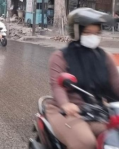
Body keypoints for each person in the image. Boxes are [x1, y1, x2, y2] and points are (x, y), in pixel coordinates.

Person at [46, 8, 119, 149]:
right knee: (86, 143)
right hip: (66, 112)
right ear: (76, 32)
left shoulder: (105, 57)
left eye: (96, 33)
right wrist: (65, 104)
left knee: (113, 138)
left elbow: (116, 84)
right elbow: (57, 85)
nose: (93, 36)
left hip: (97, 111)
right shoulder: (60, 56)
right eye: (87, 32)